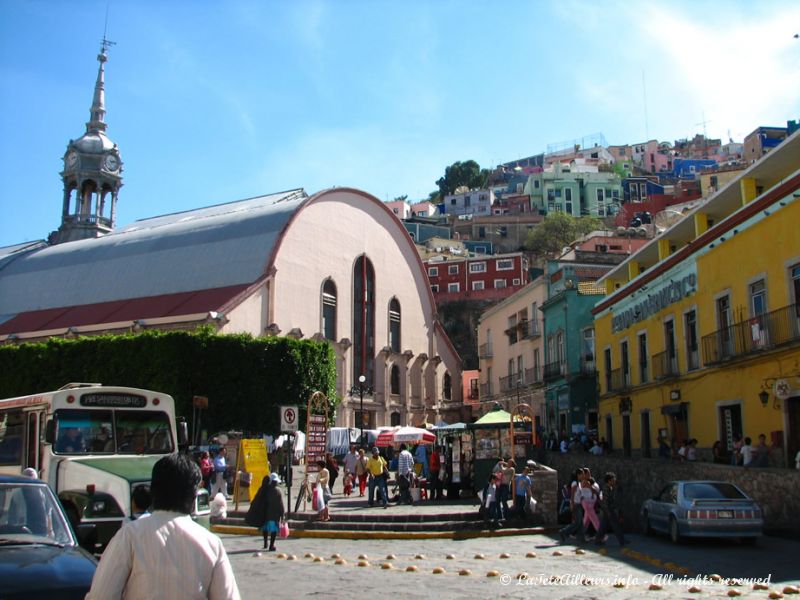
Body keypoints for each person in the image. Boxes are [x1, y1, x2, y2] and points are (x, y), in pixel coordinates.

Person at [86, 453, 241, 600]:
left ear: (153, 491)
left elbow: (101, 595)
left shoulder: (129, 536)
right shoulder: (211, 544)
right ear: (194, 496)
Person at [245, 473, 285, 551]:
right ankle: (271, 545)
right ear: (274, 482)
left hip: (265, 513)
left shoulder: (264, 489)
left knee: (265, 529)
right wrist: (282, 514)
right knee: (273, 531)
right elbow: (280, 504)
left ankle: (265, 543)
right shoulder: (277, 491)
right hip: (274, 514)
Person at [596, 472, 629, 546]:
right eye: (613, 479)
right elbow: (604, 501)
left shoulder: (610, 488)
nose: (615, 481)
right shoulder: (606, 488)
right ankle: (622, 541)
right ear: (609, 480)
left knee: (603, 526)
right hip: (608, 510)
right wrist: (608, 511)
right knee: (616, 525)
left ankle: (598, 539)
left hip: (608, 510)